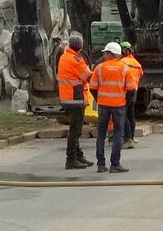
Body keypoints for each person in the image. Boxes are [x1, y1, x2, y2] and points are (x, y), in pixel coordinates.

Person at [91, 42, 134, 173]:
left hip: (103, 105)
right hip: (119, 106)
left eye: (105, 53)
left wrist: (99, 99)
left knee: (101, 134)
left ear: (111, 54)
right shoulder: (125, 68)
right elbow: (132, 90)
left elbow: (92, 88)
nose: (103, 55)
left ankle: (100, 164)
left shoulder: (99, 68)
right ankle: (115, 164)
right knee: (117, 134)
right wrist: (125, 103)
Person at [56, 34, 93, 170]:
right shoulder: (76, 60)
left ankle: (78, 156)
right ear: (81, 46)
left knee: (75, 128)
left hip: (67, 97)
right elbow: (87, 76)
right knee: (75, 130)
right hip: (75, 98)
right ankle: (71, 159)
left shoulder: (64, 57)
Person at [121, 44, 144, 149]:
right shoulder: (137, 63)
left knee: (124, 115)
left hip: (125, 91)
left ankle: (128, 138)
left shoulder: (122, 62)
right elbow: (141, 74)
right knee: (131, 115)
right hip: (134, 90)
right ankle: (132, 137)